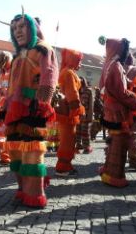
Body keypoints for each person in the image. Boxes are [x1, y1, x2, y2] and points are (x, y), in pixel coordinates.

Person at [2, 11, 58, 208]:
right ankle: (22, 188)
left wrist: (42, 102)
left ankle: (34, 194)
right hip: (14, 111)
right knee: (16, 151)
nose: (17, 31)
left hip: (34, 109)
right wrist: (5, 107)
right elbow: (11, 86)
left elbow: (49, 76)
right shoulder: (17, 57)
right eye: (14, 28)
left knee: (32, 152)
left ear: (33, 28)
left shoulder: (43, 49)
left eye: (22, 27)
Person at [97, 36, 136, 188]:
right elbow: (120, 91)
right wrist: (135, 100)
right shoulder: (116, 66)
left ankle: (107, 170)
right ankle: (114, 176)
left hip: (110, 110)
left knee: (114, 140)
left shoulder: (108, 64)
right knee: (119, 143)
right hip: (118, 111)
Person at [55, 48, 85, 176]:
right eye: (78, 60)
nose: (80, 64)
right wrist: (76, 109)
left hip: (63, 110)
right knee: (68, 139)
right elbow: (72, 93)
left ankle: (65, 164)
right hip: (68, 111)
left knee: (66, 138)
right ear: (72, 60)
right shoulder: (69, 73)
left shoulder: (65, 71)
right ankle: (63, 167)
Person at [75, 77, 93, 154]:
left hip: (85, 115)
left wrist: (89, 116)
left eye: (81, 80)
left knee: (85, 132)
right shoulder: (76, 90)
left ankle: (87, 147)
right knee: (77, 131)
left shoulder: (89, 91)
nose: (79, 81)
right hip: (77, 115)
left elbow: (91, 104)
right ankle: (78, 145)